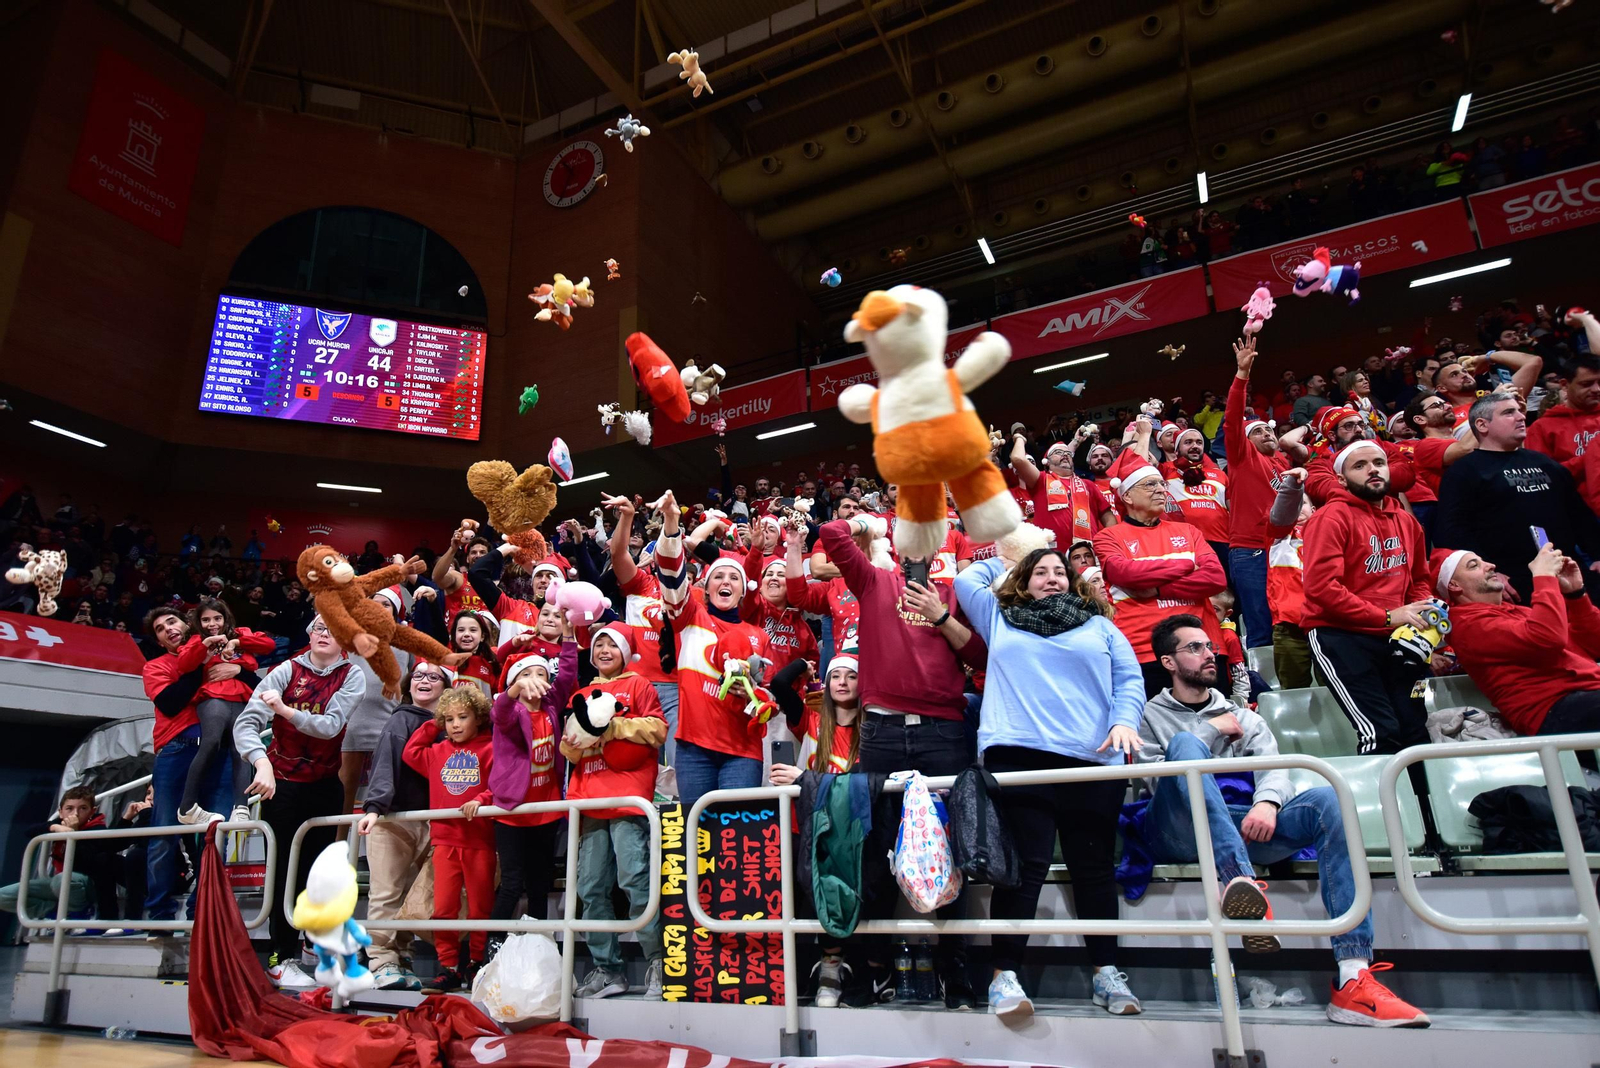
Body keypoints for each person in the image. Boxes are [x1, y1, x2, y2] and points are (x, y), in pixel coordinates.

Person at [1136, 616, 1431, 1028]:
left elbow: (1275, 768)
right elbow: (1155, 782)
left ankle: (1353, 977)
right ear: (1168, 662)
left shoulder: (1244, 716)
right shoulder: (1147, 716)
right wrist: (1208, 731)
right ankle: (1239, 880)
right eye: (1195, 648)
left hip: (1241, 824)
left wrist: (1267, 803)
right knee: (1185, 745)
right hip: (1178, 828)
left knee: (1327, 799)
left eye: (1209, 646)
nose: (1209, 654)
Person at [955, 547, 1144, 1020]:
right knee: (1026, 866)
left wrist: (1124, 720)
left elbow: (1129, 678)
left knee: (1093, 867)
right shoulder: (1000, 616)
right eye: (1039, 572)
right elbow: (964, 583)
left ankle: (1106, 971)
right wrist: (1007, 556)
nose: (1052, 577)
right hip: (1019, 753)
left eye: (1060, 571)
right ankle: (1004, 975)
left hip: (1092, 756)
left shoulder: (1100, 624)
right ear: (1022, 581)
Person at [819, 514, 984, 1009]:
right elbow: (831, 536)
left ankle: (955, 971)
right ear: (895, 547)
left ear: (934, 551)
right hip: (882, 731)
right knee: (873, 849)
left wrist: (940, 615)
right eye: (906, 541)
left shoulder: (952, 593)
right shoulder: (874, 581)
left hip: (943, 730)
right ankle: (873, 968)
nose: (914, 551)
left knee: (952, 848)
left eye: (923, 543)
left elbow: (980, 657)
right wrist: (866, 524)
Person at [234, 615, 365, 988]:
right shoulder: (284, 671)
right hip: (282, 785)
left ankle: (313, 943)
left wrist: (284, 710)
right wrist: (260, 762)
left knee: (319, 872)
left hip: (325, 785)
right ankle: (279, 957)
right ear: (309, 633)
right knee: (282, 873)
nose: (325, 634)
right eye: (319, 628)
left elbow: (330, 726)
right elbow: (245, 724)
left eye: (334, 630)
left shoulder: (352, 676)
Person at [1300, 442, 1433, 754]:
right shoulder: (1330, 517)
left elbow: (1420, 579)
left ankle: (1422, 790)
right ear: (1341, 479)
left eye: (1378, 463)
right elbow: (1321, 588)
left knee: (1416, 731)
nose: (1372, 469)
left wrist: (1420, 612)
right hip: (1340, 635)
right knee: (1380, 732)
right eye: (1359, 466)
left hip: (1398, 637)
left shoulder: (1407, 520)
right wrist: (1386, 616)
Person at [567, 623, 669, 1000]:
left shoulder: (639, 684)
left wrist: (611, 727)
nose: (605, 650)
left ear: (626, 652)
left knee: (635, 880)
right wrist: (577, 739)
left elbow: (658, 729)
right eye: (600, 645)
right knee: (591, 887)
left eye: (613, 644)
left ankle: (659, 962)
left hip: (628, 797)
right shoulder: (580, 693)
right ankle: (607, 969)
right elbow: (569, 750)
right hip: (589, 800)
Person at [653, 491, 776, 804]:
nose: (726, 581)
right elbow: (671, 574)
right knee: (698, 832)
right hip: (693, 749)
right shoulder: (689, 617)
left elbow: (768, 695)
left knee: (734, 831)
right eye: (718, 576)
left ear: (743, 590)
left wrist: (753, 693)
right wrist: (671, 523)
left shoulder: (758, 635)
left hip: (742, 752)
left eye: (734, 577)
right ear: (705, 588)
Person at [141, 606, 254, 923]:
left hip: (219, 752)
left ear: (187, 625)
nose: (168, 629)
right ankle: (160, 915)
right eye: (160, 629)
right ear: (160, 642)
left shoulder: (221, 652)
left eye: (172, 621)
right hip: (178, 750)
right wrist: (201, 662)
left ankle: (200, 910)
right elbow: (170, 702)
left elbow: (256, 682)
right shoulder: (156, 666)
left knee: (217, 834)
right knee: (165, 834)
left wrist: (237, 670)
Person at [1435, 393, 1600, 604]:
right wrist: (1488, 573)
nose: (1521, 417)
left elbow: (1579, 515)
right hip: (1512, 581)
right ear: (1482, 425)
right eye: (1508, 412)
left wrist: (1597, 554)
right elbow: (1452, 531)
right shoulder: (1463, 471)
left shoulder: (1545, 463)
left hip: (1568, 570)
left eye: (1520, 411)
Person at [355, 660, 452, 991]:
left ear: (446, 687)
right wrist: (374, 807)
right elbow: (385, 763)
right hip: (393, 819)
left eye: (434, 677)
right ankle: (382, 960)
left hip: (432, 821)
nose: (424, 680)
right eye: (419, 675)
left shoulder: (451, 725)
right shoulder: (401, 719)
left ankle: (404, 957)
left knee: (413, 897)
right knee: (387, 894)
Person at [1434, 545, 1600, 736]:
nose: (1490, 565)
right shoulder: (1466, 625)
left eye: (1483, 560)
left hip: (1586, 696)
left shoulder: (1518, 611)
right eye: (1474, 565)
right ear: (1454, 585)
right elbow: (1547, 638)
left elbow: (1594, 645)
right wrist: (1544, 577)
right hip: (1553, 709)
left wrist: (1576, 594)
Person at [1092, 465, 1226, 698]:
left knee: (1215, 719)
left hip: (1201, 646)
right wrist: (1187, 564)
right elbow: (1125, 573)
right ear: (1127, 496)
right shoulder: (1108, 537)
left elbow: (1215, 578)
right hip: (1142, 650)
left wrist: (1158, 589)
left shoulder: (1189, 531)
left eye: (1162, 484)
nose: (1161, 490)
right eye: (1150, 484)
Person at [487, 637, 578, 956]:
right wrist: (513, 691)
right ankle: (493, 947)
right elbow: (499, 712)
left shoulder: (551, 707)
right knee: (512, 884)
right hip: (511, 812)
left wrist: (569, 638)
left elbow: (567, 675)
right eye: (526, 675)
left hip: (546, 810)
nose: (534, 680)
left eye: (541, 674)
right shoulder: (510, 714)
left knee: (540, 884)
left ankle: (538, 949)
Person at [403, 686, 495, 992]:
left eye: (463, 717)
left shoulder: (491, 747)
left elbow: (500, 783)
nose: (455, 724)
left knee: (481, 907)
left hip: (480, 840)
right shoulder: (437, 752)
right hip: (443, 839)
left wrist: (482, 799)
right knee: (443, 907)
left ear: (478, 718)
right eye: (450, 719)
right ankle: (449, 967)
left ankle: (477, 964)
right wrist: (434, 723)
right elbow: (410, 752)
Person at [172, 598, 275, 827]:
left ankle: (241, 808)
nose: (212, 624)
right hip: (213, 697)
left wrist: (236, 642)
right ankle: (187, 807)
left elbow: (268, 645)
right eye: (206, 620)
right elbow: (184, 665)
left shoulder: (241, 634)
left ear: (225, 618)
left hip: (242, 698)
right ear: (199, 623)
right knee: (210, 742)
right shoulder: (197, 640)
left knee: (242, 749)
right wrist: (206, 645)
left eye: (217, 618)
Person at [600, 493, 679, 765]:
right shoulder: (641, 584)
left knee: (677, 764)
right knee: (638, 763)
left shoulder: (691, 593)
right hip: (636, 683)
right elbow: (617, 554)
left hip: (676, 687)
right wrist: (628, 516)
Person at [1225, 337, 1293, 648]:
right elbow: (1232, 420)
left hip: (1285, 548)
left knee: (1290, 619)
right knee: (1261, 625)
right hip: (1251, 549)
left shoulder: (1283, 463)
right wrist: (1242, 374)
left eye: (1269, 429)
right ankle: (1261, 680)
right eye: (1257, 431)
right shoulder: (1243, 457)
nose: (1266, 433)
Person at [339, 584, 416, 816]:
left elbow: (413, 674)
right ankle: (339, 837)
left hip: (389, 720)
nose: (379, 608)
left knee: (386, 787)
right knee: (345, 789)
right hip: (354, 718)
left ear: (395, 610)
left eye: (386, 605)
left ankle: (379, 838)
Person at [0, 788, 118, 925]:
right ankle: (55, 911)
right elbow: (29, 831)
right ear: (61, 812)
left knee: (62, 880)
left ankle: (82, 911)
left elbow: (84, 862)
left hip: (87, 885)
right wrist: (54, 827)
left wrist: (74, 834)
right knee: (3, 895)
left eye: (83, 808)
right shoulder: (59, 823)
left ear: (92, 811)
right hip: (60, 884)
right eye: (69, 808)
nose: (75, 813)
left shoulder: (98, 830)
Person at [1011, 434, 1112, 554]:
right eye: (1058, 452)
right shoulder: (1040, 479)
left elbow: (1108, 517)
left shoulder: (1088, 485)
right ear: (1047, 462)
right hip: (1050, 555)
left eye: (1068, 453)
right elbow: (1017, 459)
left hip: (1086, 555)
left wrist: (1108, 543)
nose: (1065, 455)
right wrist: (1020, 438)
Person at [1162, 428, 1231, 569]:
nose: (1195, 446)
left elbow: (1234, 510)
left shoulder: (1219, 474)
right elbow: (1138, 461)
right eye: (1188, 442)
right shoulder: (1165, 471)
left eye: (1199, 442)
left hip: (1222, 540)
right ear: (1176, 449)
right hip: (1183, 543)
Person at [1524, 345, 1600, 468]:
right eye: (1587, 384)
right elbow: (1542, 473)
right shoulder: (1542, 427)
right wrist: (1592, 457)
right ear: (1564, 385)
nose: (1597, 389)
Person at [448, 610, 500, 698]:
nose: (466, 634)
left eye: (473, 630)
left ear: (482, 636)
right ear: (454, 635)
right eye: (461, 630)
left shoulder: (492, 663)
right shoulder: (446, 661)